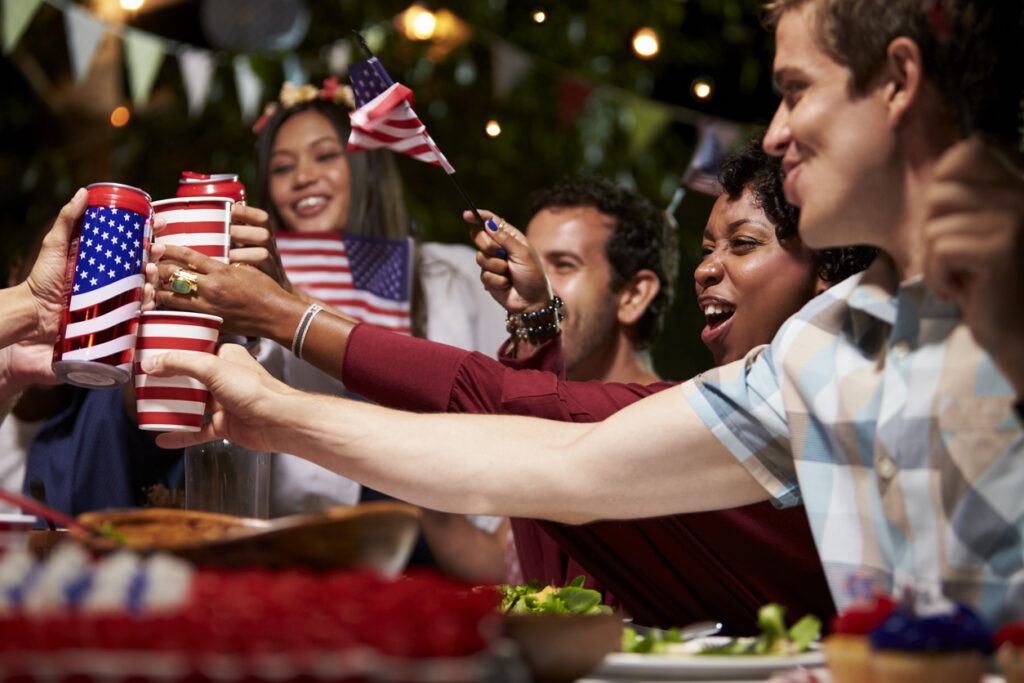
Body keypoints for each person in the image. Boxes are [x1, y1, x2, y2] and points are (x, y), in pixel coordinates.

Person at [144, 0, 1024, 628]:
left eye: (795, 90)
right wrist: (272, 411)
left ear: (901, 81)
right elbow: (564, 458)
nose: (778, 131)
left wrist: (290, 321)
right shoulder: (831, 344)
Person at [150, 138, 871, 629]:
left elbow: (520, 419)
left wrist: (284, 319)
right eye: (709, 248)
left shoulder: (762, 401)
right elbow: (534, 473)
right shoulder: (671, 402)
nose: (709, 267)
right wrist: (535, 327)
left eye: (741, 245)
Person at [220, 80, 508, 579]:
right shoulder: (252, 277)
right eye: (283, 167)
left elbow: (498, 394)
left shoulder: (451, 272)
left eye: (324, 156)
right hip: (307, 542)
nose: (302, 177)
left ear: (364, 167)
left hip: (439, 533)